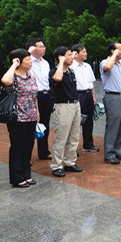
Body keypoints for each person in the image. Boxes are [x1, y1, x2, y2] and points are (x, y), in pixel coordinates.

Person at [1, 49, 39, 188]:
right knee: (17, 147)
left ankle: (26, 174)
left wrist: (37, 112)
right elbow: (5, 81)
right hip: (17, 118)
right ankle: (17, 178)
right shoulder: (13, 77)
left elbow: (34, 95)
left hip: (31, 116)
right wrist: (14, 65)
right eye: (27, 59)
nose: (30, 61)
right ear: (19, 61)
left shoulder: (31, 76)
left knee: (28, 146)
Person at [48, 47, 82, 177]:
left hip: (75, 104)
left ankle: (69, 162)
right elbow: (57, 79)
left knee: (74, 136)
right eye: (68, 55)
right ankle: (56, 166)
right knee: (61, 137)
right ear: (60, 57)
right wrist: (61, 63)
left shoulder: (71, 72)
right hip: (63, 106)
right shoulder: (54, 71)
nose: (72, 57)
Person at [100, 42, 121, 164]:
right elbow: (107, 68)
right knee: (113, 126)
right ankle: (109, 154)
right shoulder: (105, 62)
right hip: (112, 97)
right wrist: (114, 56)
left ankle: (119, 150)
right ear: (113, 51)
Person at [70, 44, 98, 153]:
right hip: (77, 95)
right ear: (76, 53)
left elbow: (91, 83)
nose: (86, 54)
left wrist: (93, 96)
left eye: (85, 51)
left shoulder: (88, 66)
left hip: (88, 94)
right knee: (76, 122)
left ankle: (88, 145)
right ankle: (72, 149)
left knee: (89, 120)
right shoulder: (71, 66)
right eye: (83, 52)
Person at [27, 38, 52, 160]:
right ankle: (26, 156)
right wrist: (28, 52)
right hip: (33, 96)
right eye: (41, 46)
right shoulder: (27, 62)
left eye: (44, 46)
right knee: (31, 125)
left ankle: (44, 152)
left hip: (46, 95)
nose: (44, 48)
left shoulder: (46, 63)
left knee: (45, 124)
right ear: (33, 48)